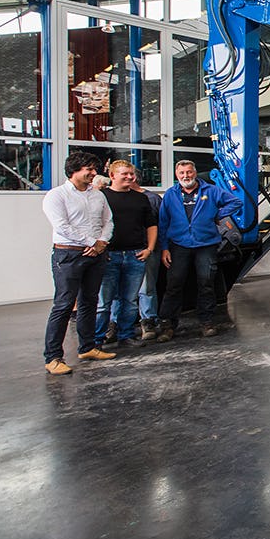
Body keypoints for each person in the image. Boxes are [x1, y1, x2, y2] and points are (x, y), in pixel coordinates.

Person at [40, 151, 118, 374]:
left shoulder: (97, 195)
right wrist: (93, 242)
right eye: (89, 169)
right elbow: (62, 226)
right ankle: (53, 357)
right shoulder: (56, 196)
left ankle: (88, 347)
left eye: (94, 169)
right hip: (68, 255)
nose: (94, 173)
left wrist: (102, 242)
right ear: (74, 170)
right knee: (64, 305)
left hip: (96, 254)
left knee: (89, 301)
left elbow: (108, 221)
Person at [156, 160, 240, 342]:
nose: (186, 176)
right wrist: (164, 248)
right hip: (179, 245)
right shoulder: (170, 194)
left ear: (195, 173)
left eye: (189, 172)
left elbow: (236, 202)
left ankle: (206, 322)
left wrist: (217, 214)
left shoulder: (211, 191)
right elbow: (163, 223)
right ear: (177, 175)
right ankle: (167, 325)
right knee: (174, 285)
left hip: (206, 245)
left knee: (206, 283)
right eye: (182, 173)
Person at [94, 161, 157, 349]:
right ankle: (97, 340)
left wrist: (149, 249)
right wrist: (99, 249)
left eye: (131, 174)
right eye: (125, 174)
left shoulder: (141, 199)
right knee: (104, 302)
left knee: (130, 300)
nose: (130, 177)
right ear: (112, 175)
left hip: (135, 255)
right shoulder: (101, 197)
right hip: (109, 256)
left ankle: (126, 335)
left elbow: (151, 225)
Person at [133, 174, 163, 340]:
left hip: (147, 249)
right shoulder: (109, 197)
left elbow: (159, 225)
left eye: (130, 174)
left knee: (147, 288)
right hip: (122, 251)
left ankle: (148, 321)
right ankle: (116, 325)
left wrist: (152, 248)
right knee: (118, 291)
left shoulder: (151, 199)